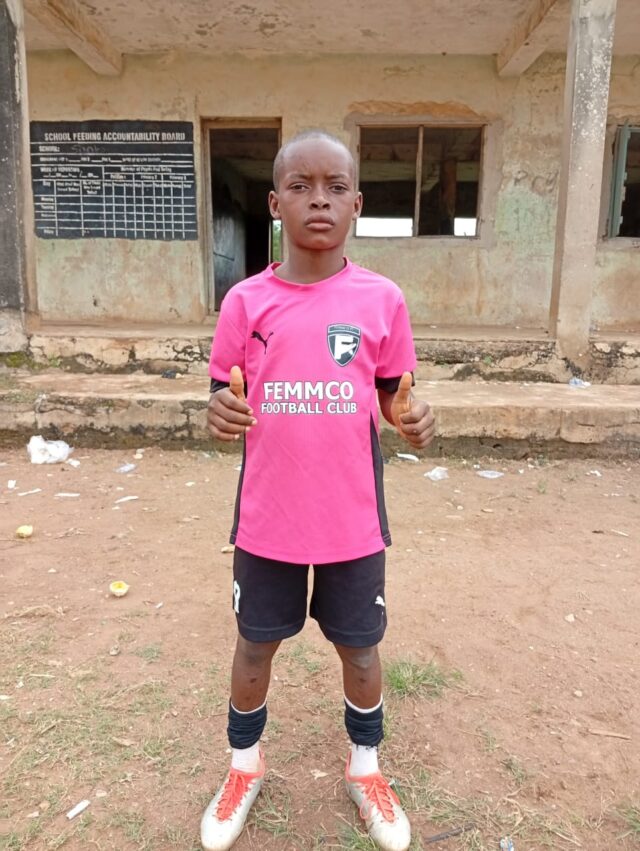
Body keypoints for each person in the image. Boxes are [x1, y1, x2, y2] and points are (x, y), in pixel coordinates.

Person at [202, 130, 435, 851]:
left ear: (357, 203)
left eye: (335, 187)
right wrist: (217, 412)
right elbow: (222, 393)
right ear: (275, 204)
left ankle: (367, 768)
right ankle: (244, 766)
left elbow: (395, 391)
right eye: (300, 186)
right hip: (268, 520)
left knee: (360, 651)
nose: (319, 200)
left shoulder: (381, 300)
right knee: (254, 647)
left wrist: (410, 416)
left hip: (351, 520)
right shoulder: (245, 302)